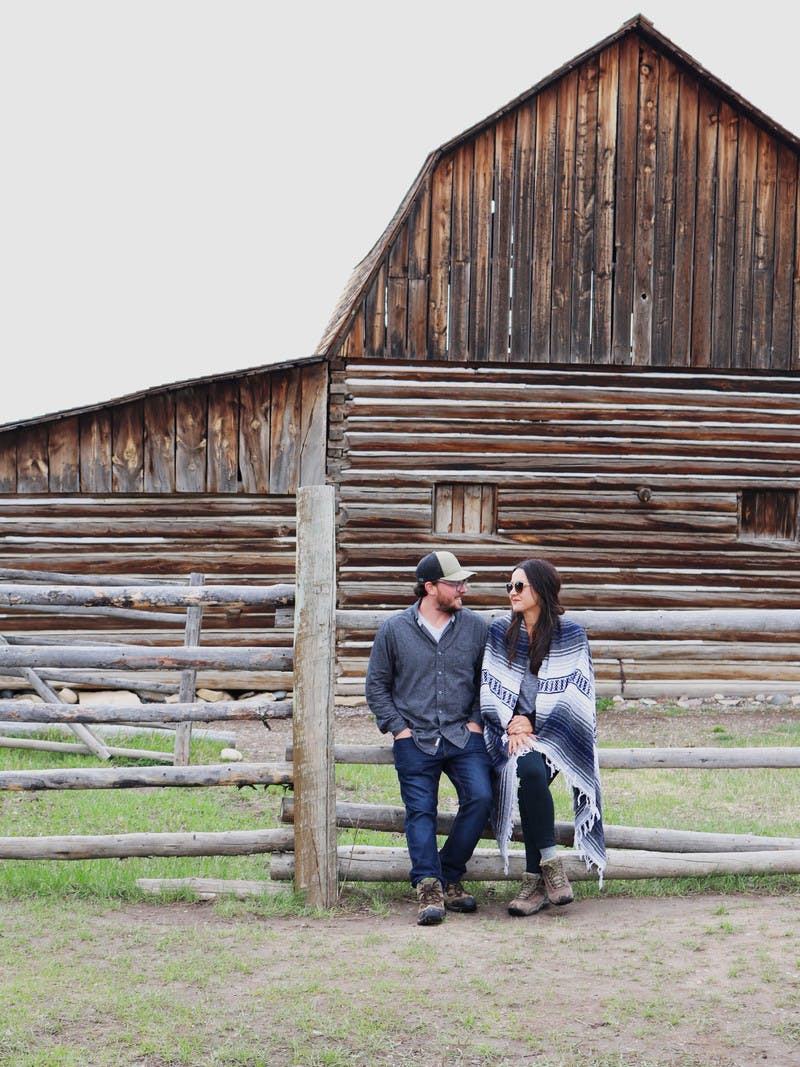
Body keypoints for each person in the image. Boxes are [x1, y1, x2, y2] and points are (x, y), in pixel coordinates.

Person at [366, 550, 493, 926]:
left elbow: (485, 680)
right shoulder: (393, 630)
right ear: (430, 587)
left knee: (482, 797)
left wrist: (474, 722)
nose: (463, 590)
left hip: (461, 734)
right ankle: (428, 885)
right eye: (455, 584)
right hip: (414, 737)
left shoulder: (475, 628)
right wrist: (398, 729)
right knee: (420, 811)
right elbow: (376, 686)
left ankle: (450, 873)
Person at [480, 558, 606, 916]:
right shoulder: (500, 632)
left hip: (558, 734)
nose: (512, 593)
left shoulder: (571, 635)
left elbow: (574, 695)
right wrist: (511, 723)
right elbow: (489, 687)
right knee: (530, 773)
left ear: (541, 590)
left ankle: (533, 883)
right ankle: (550, 865)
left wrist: (531, 723)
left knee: (533, 773)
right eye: (509, 587)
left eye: (520, 586)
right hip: (507, 732)